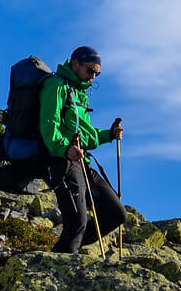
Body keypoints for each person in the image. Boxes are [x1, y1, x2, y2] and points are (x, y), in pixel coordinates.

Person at [39, 45, 127, 254]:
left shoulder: (80, 93)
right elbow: (48, 125)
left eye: (97, 73)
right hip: (61, 162)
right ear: (75, 64)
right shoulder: (56, 86)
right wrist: (64, 148)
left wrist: (110, 134)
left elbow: (86, 134)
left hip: (80, 161)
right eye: (90, 71)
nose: (93, 77)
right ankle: (61, 266)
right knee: (77, 222)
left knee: (116, 213)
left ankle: (64, 251)